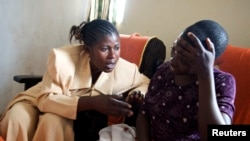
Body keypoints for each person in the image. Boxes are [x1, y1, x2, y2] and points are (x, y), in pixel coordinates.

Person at [0, 19, 149, 141]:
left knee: (53, 122)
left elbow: (145, 82)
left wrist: (136, 93)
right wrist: (93, 102)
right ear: (88, 49)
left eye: (117, 47)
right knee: (17, 120)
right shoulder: (62, 59)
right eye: (104, 49)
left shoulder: (125, 69)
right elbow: (45, 99)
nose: (113, 56)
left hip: (61, 112)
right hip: (37, 100)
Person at [136, 20, 236, 141]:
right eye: (174, 50)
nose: (172, 62)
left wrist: (205, 75)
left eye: (183, 60)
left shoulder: (222, 82)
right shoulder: (164, 71)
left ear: (208, 61)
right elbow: (144, 114)